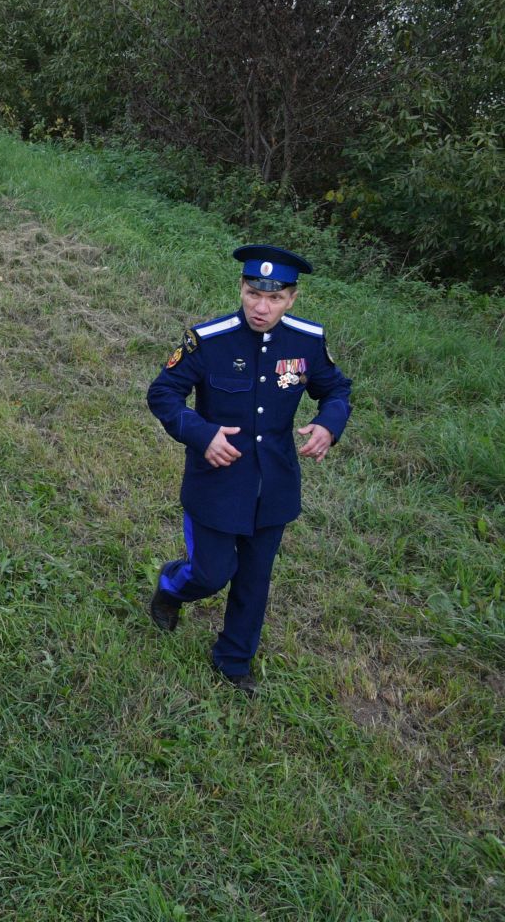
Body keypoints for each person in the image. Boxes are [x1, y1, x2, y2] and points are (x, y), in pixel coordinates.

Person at [145, 245, 353, 695]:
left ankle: (234, 660)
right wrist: (202, 435)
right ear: (241, 287)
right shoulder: (208, 339)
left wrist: (329, 424)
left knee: (254, 579)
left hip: (273, 485)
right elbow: (163, 394)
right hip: (216, 483)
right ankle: (171, 586)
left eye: (275, 298)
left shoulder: (307, 341)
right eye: (253, 293)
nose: (262, 307)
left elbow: (336, 389)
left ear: (292, 299)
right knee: (211, 574)